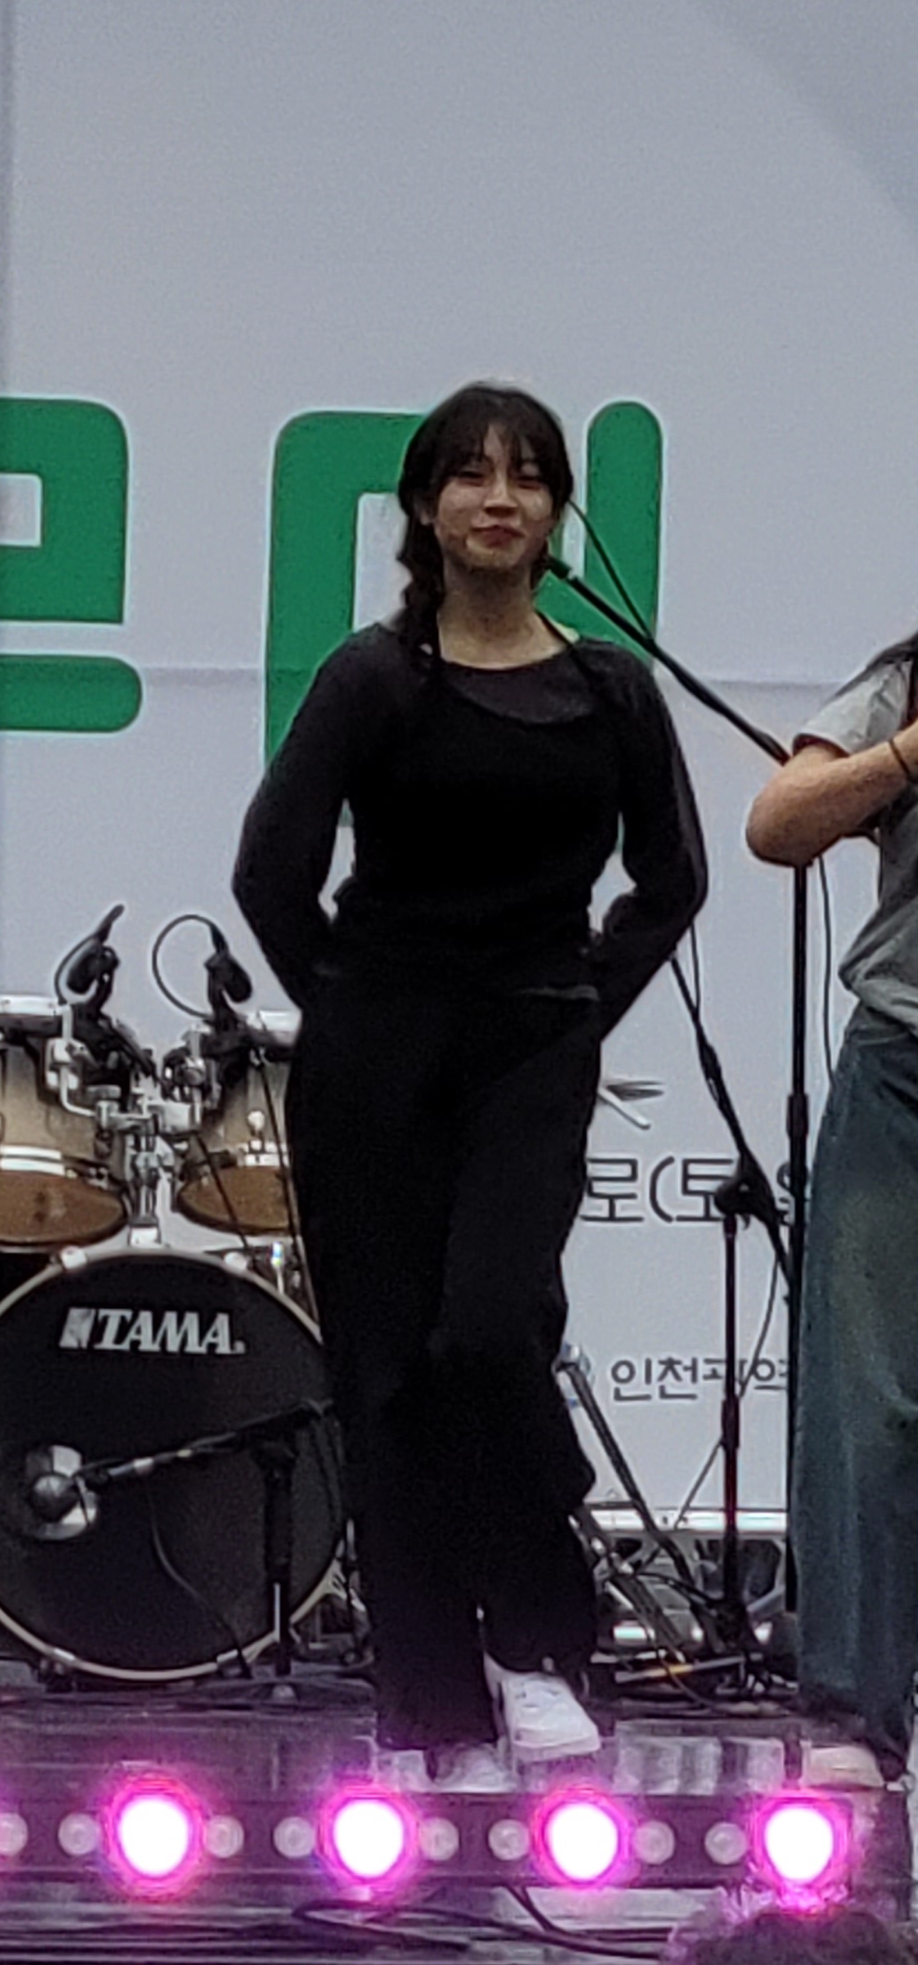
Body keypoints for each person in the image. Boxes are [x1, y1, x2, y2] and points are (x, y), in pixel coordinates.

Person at [233, 383, 706, 1784]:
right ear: (424, 508)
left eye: (529, 477)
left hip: (530, 1052)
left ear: (557, 512)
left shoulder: (612, 691)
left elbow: (672, 880)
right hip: (375, 1058)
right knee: (385, 1382)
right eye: (472, 475)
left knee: (489, 1340)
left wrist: (577, 1010)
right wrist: (350, 1010)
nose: (500, 499)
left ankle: (539, 1645)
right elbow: (269, 874)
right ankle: (428, 1710)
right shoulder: (374, 681)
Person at [746, 614, 918, 1786]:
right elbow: (780, 823)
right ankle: (855, 1712)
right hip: (907, 1064)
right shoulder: (908, 680)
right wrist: (906, 755)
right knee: (867, 1401)